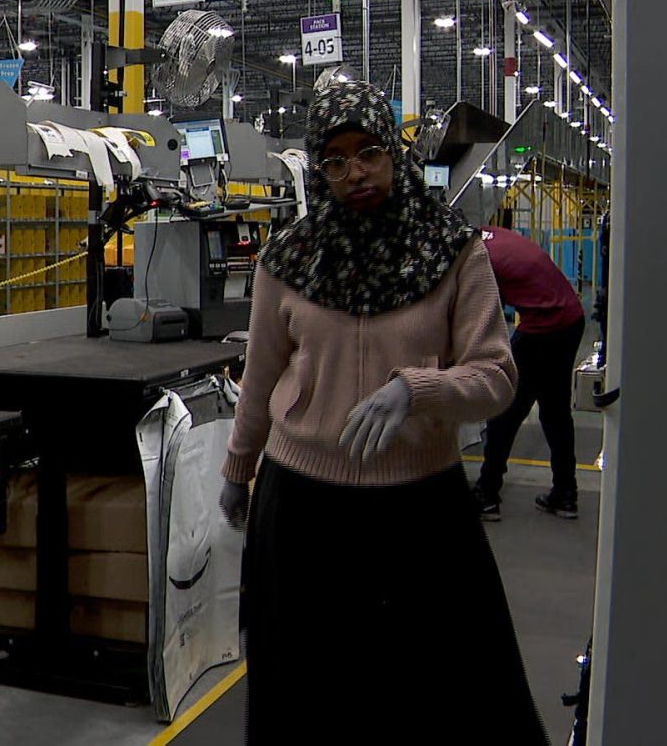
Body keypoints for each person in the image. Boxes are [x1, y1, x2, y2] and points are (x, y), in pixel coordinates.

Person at [219, 81, 547, 743]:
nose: (355, 173)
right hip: (303, 507)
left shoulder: (453, 250)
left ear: (393, 152)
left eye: (368, 152)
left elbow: (496, 375)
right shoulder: (290, 258)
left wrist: (418, 389)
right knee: (306, 693)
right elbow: (261, 378)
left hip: (420, 508)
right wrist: (237, 467)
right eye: (335, 161)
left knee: (444, 692)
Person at [470, 226, 587, 521]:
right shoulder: (492, 235)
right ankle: (565, 493)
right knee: (556, 412)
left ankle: (486, 493)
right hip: (571, 319)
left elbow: (483, 315)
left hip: (544, 328)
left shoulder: (479, 258)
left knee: (504, 409)